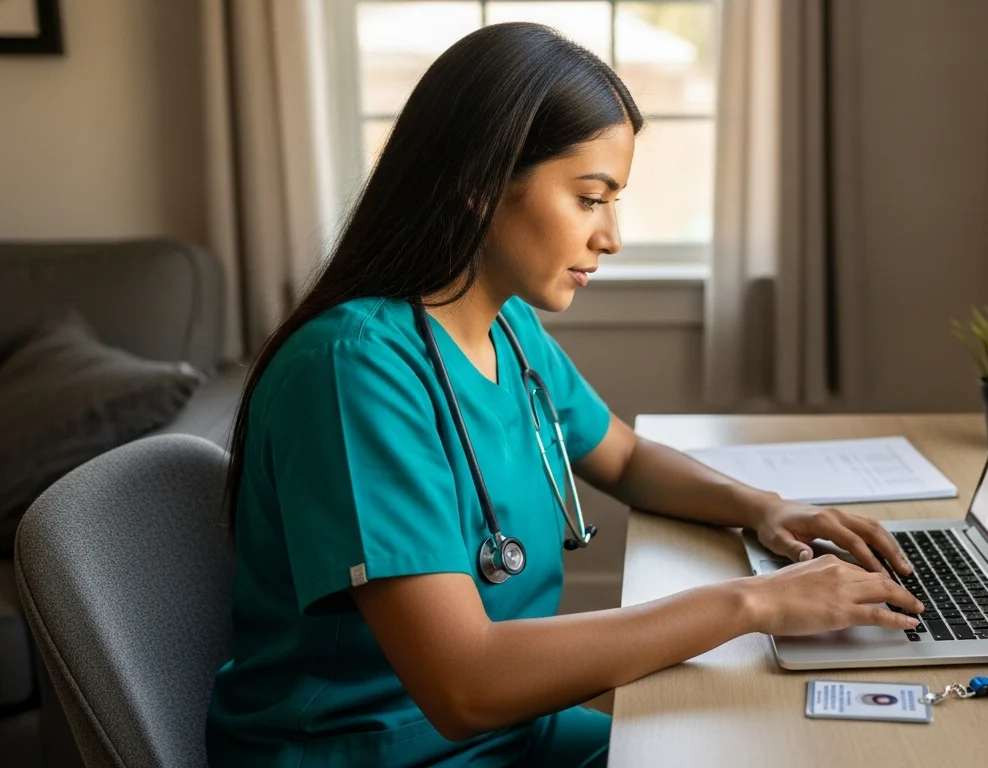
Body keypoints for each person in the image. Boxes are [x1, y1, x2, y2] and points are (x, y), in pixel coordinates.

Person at [206, 22, 921, 767]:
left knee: (772, 743)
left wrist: (770, 509)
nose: (610, 236)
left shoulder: (504, 324)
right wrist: (754, 604)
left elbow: (627, 458)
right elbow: (464, 682)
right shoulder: (353, 370)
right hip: (381, 754)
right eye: (589, 198)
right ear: (479, 182)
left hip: (511, 734)